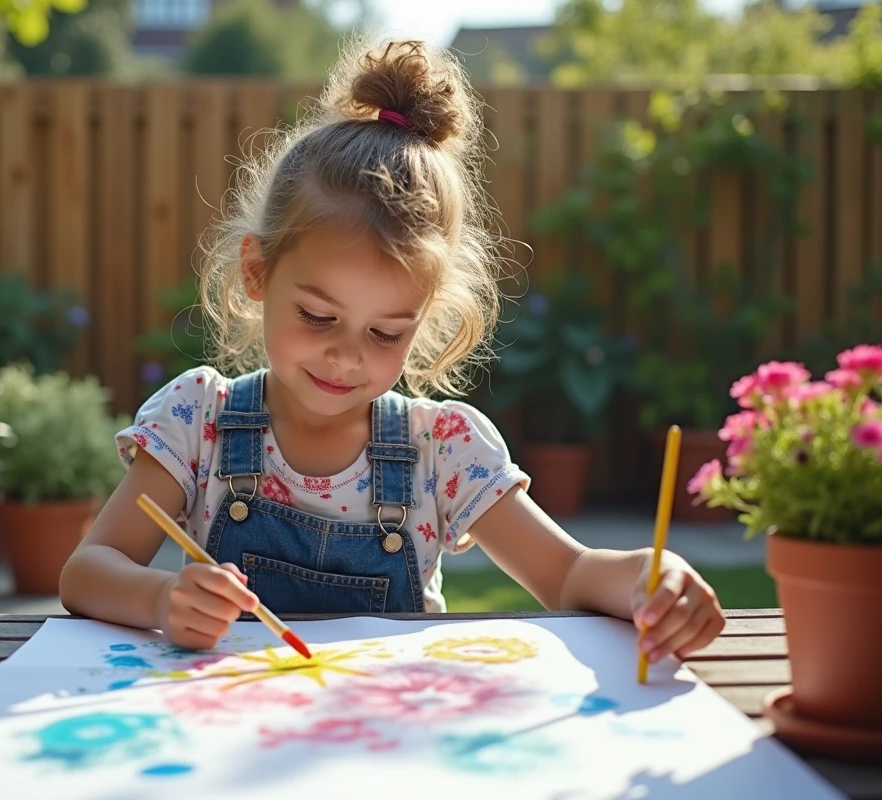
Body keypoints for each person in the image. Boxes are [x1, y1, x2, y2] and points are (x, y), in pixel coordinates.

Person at [60, 38, 725, 663]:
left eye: (386, 333)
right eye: (318, 316)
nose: (347, 357)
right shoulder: (197, 422)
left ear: (424, 318)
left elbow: (567, 574)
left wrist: (650, 576)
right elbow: (87, 572)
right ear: (258, 273)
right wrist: (158, 597)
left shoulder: (444, 449)